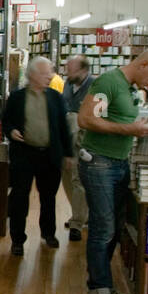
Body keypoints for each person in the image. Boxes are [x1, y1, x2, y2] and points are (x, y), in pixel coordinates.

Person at [77, 48, 148, 294]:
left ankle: (103, 284)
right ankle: (99, 292)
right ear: (142, 64)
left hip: (117, 162)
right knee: (103, 227)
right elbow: (86, 119)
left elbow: (117, 118)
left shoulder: (129, 88)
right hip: (99, 163)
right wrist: (130, 130)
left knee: (114, 227)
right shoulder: (109, 82)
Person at [2, 56, 73, 257]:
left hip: (49, 156)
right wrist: (11, 131)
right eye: (44, 73)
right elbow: (6, 122)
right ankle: (17, 240)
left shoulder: (56, 97)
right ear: (32, 75)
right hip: (24, 155)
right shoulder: (16, 97)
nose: (49, 76)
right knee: (19, 198)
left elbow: (63, 128)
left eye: (50, 72)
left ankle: (48, 233)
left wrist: (68, 154)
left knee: (48, 198)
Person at [61, 55, 92, 240]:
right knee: (66, 176)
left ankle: (77, 224)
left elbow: (98, 114)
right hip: (66, 138)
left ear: (84, 71)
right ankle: (78, 214)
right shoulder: (67, 84)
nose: (67, 73)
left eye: (71, 69)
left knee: (78, 180)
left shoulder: (96, 86)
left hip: (84, 139)